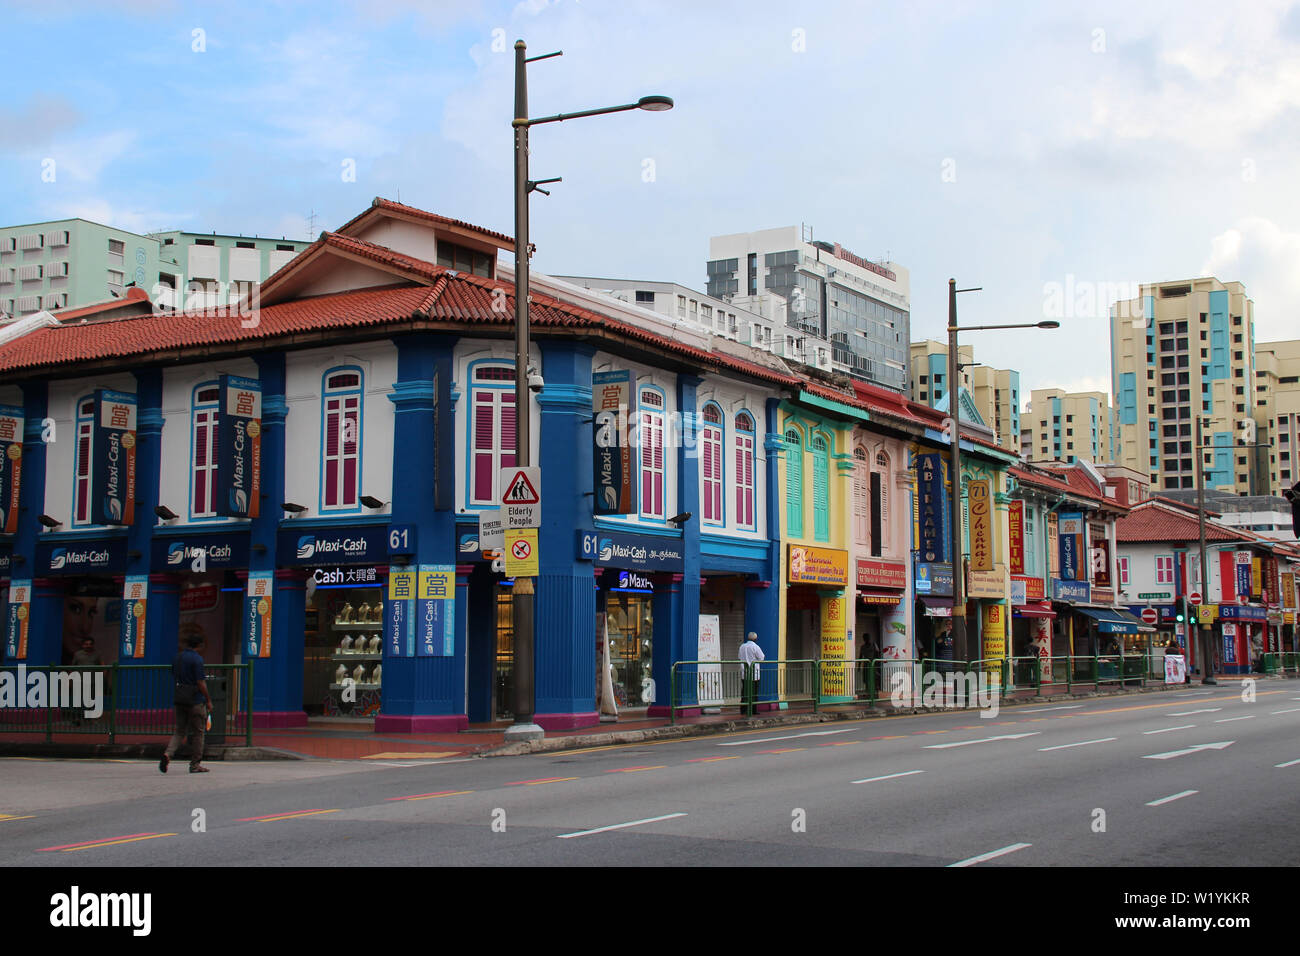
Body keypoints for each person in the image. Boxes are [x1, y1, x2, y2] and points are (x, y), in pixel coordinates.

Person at [161, 633, 211, 774]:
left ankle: (168, 754)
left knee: (179, 731)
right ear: (199, 645)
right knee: (198, 733)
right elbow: (200, 682)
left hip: (180, 697)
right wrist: (208, 699)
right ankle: (195, 764)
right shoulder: (197, 660)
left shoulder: (178, 657)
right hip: (195, 700)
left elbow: (173, 674)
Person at [738, 631, 765, 717]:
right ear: (755, 639)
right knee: (754, 693)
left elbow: (739, 657)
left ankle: (743, 710)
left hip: (744, 673)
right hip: (754, 674)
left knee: (744, 692)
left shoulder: (742, 646)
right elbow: (762, 658)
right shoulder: (755, 647)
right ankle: (753, 710)